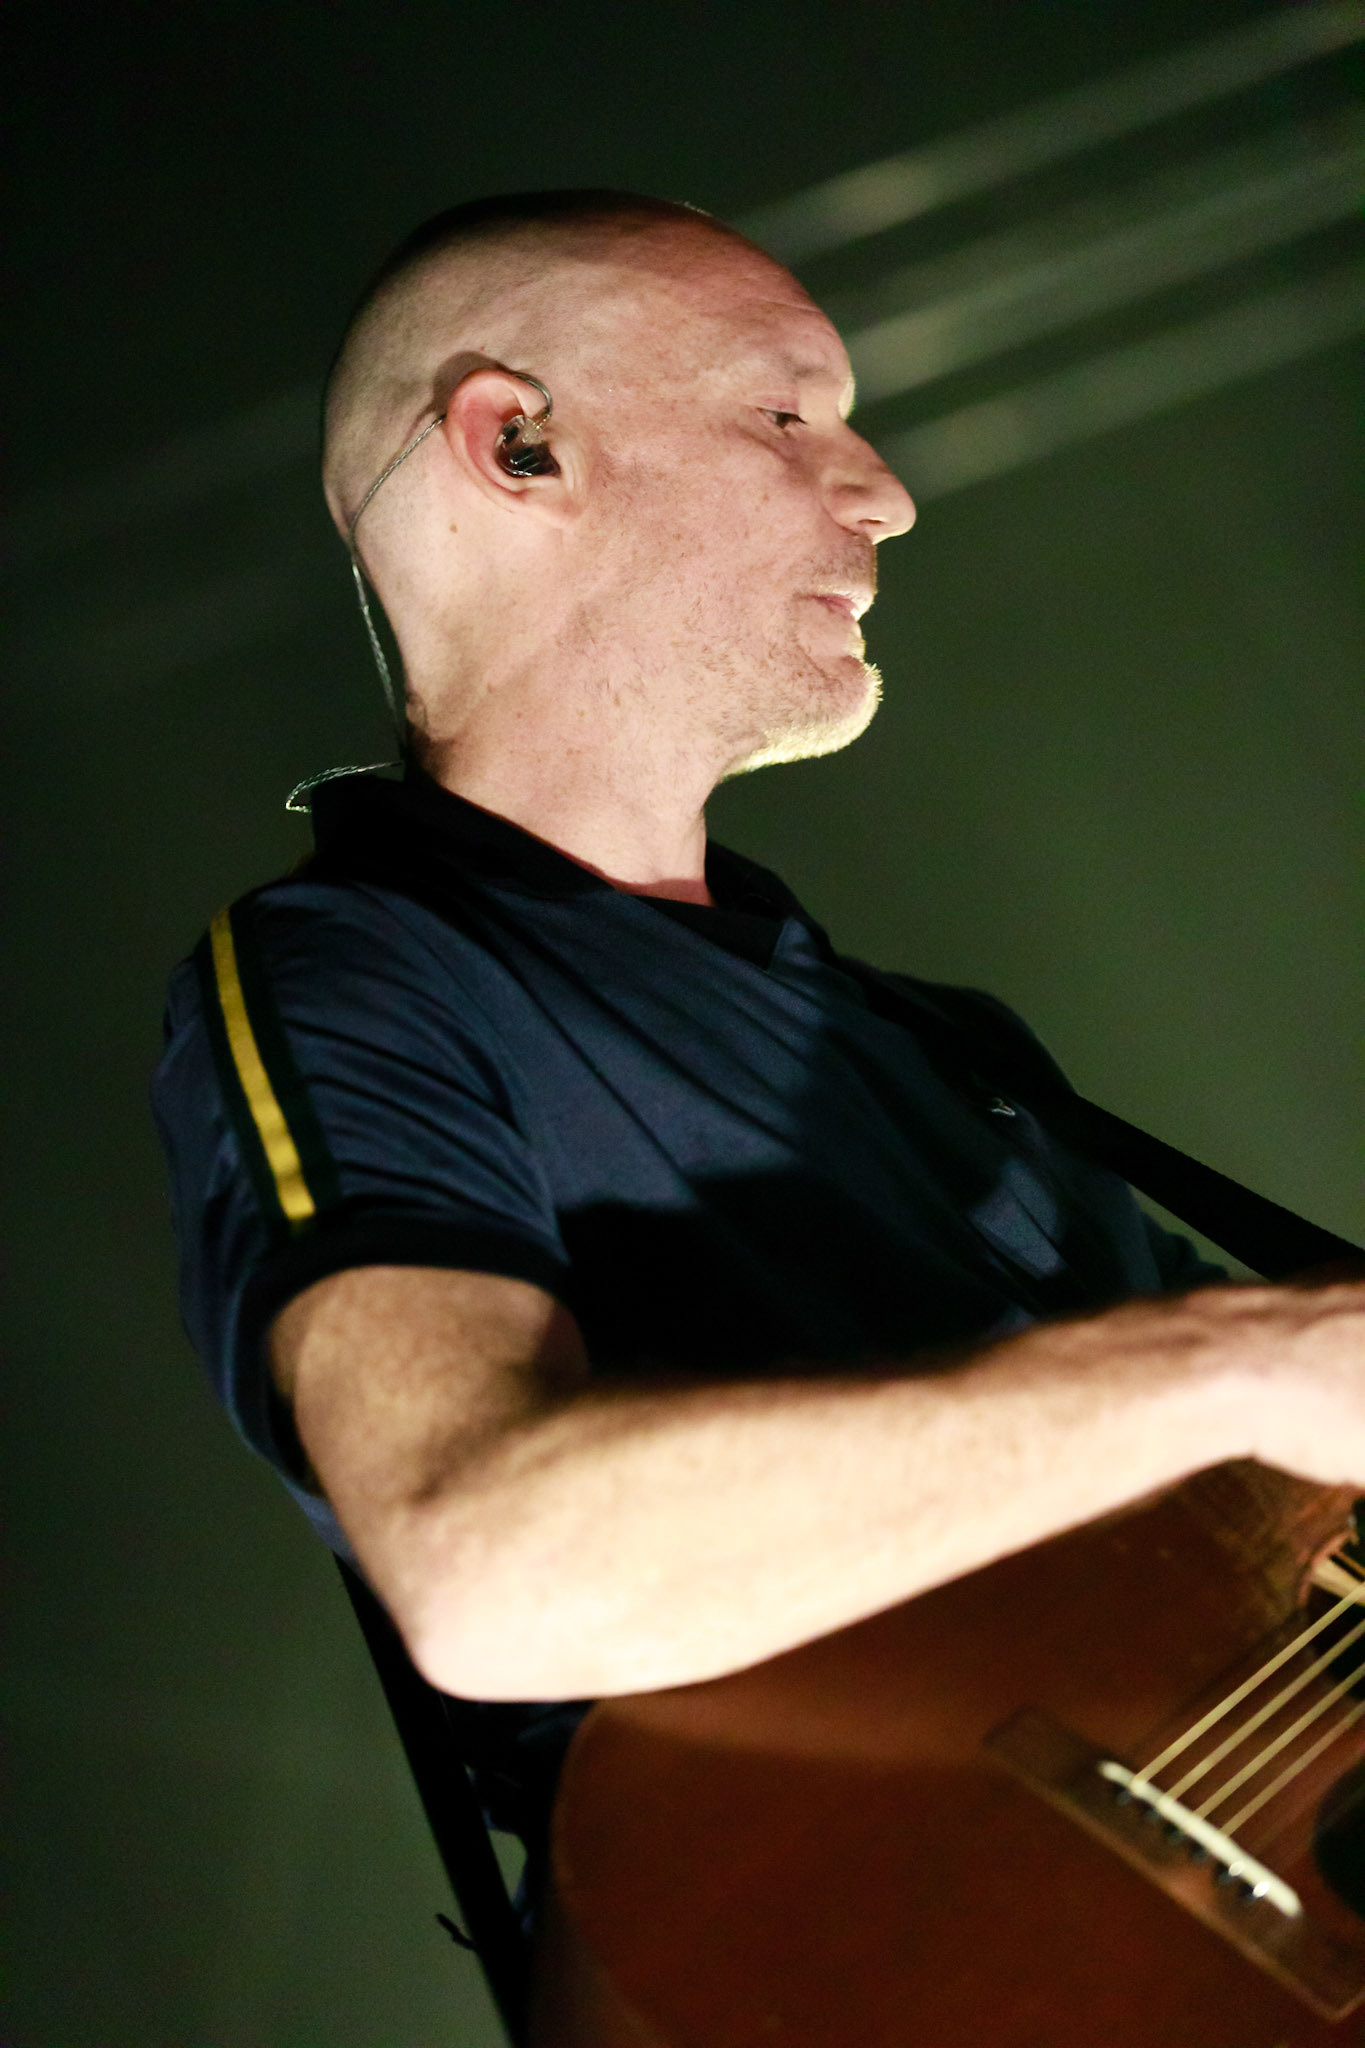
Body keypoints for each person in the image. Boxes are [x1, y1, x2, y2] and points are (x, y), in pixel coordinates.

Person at [152, 188, 1363, 1922]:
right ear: (519, 444)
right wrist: (1240, 1361)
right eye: (788, 410)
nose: (883, 492)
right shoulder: (363, 971)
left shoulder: (937, 1051)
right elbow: (490, 1563)